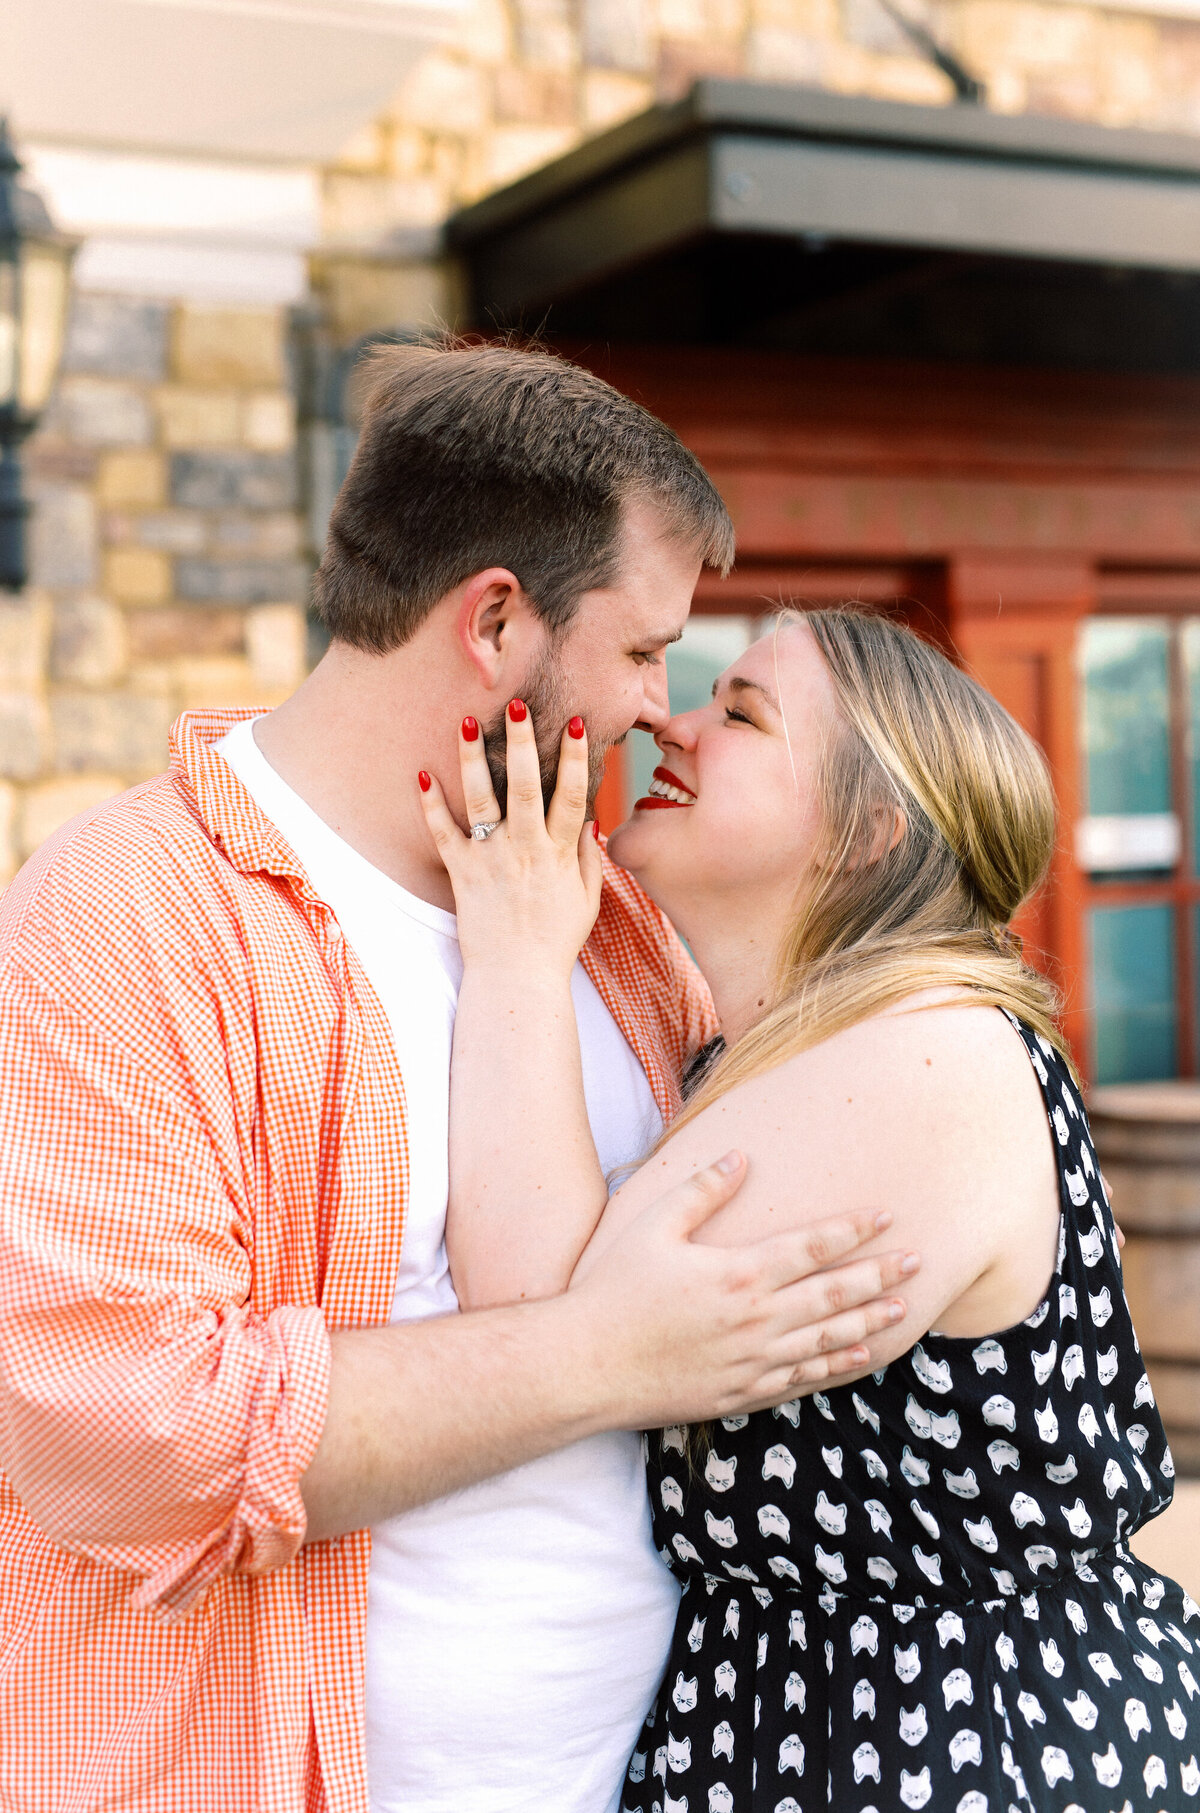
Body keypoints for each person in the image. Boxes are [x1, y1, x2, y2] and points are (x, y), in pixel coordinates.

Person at [0, 345, 921, 1813]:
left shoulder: (612, 921)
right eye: (639, 651)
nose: (656, 707)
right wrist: (610, 1352)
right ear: (497, 620)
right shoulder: (128, 912)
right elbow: (128, 1430)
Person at [421, 605, 1198, 1813]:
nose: (674, 720)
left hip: (963, 1754)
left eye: (740, 712)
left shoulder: (923, 1052)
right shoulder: (806, 1055)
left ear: (865, 832)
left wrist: (517, 949)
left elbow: (546, 1329)